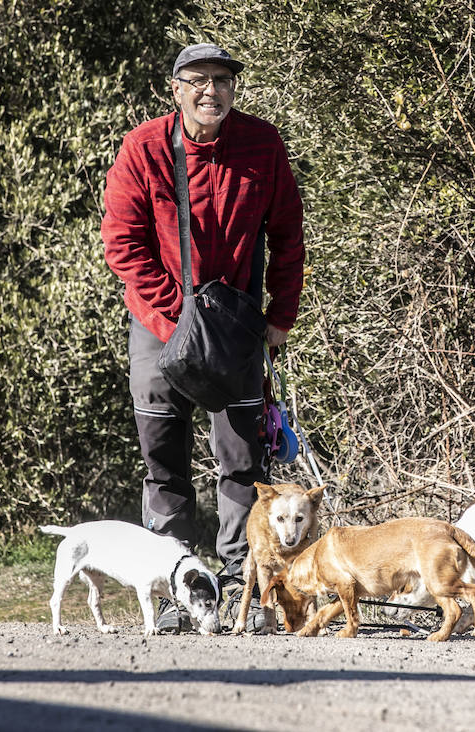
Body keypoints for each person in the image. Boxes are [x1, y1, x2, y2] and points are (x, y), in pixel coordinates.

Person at [101, 43, 305, 631]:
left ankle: (243, 584)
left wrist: (280, 317)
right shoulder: (142, 149)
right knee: (163, 459)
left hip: (239, 323)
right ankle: (175, 585)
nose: (208, 90)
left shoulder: (262, 144)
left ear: (233, 89)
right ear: (175, 88)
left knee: (243, 461)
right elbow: (123, 245)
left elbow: (289, 236)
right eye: (196, 80)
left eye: (220, 79)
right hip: (159, 321)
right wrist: (175, 323)